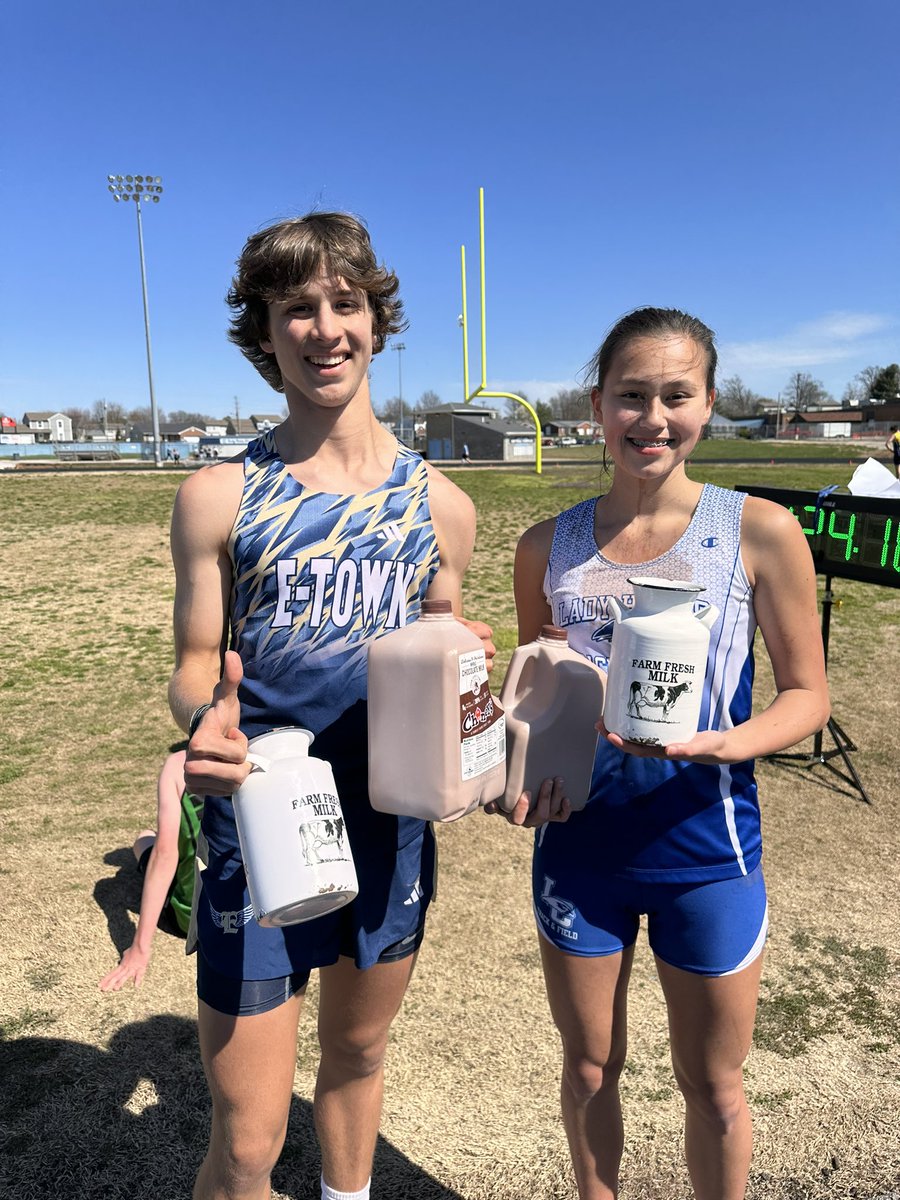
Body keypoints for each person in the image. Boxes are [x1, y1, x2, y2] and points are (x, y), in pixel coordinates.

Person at [168, 211, 493, 1200]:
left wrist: (480, 715)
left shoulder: (443, 506)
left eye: (344, 302)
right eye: (295, 308)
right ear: (263, 333)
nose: (324, 327)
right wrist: (203, 723)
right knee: (252, 1141)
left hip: (388, 832)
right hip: (261, 832)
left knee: (355, 1064)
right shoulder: (220, 495)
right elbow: (191, 663)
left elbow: (446, 668)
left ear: (376, 321)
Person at [491, 307, 830, 1200]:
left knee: (713, 1086)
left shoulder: (759, 531)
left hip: (706, 851)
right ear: (598, 406)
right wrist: (512, 773)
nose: (653, 418)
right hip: (579, 852)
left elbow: (808, 695)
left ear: (708, 404)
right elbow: (539, 698)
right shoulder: (545, 546)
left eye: (676, 396)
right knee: (591, 1070)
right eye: (631, 396)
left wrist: (726, 744)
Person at [99, 748, 203, 991]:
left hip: (193, 920)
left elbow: (164, 856)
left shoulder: (179, 764)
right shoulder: (268, 754)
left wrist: (140, 948)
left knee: (145, 839)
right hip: (252, 914)